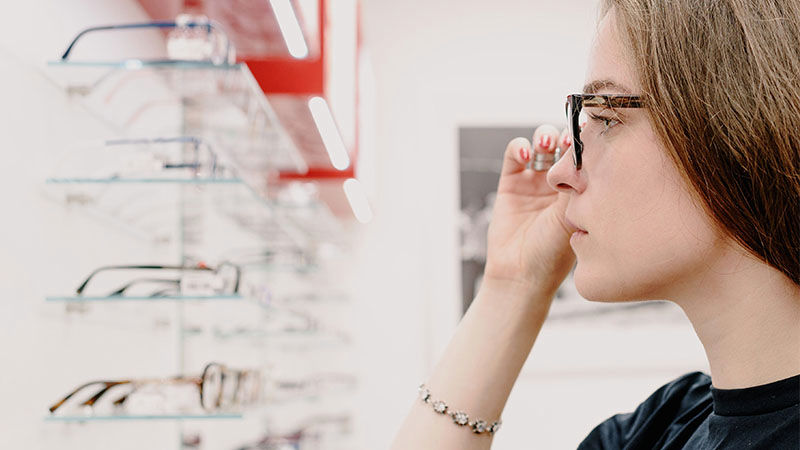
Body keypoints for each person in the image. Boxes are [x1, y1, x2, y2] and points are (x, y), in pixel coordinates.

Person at [390, 0, 800, 448]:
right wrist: (513, 285)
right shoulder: (663, 426)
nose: (558, 173)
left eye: (605, 116)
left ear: (736, 128)